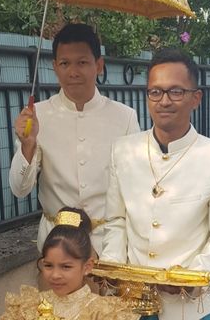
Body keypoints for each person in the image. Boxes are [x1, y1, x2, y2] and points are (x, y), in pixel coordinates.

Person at [102, 48, 210, 320]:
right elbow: (116, 219)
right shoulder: (123, 150)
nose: (164, 101)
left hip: (190, 308)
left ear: (196, 98)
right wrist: (114, 270)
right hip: (131, 303)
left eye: (176, 91)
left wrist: (191, 278)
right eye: (155, 92)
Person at [10, 23, 140, 254]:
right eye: (64, 63)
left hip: (109, 244)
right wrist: (28, 145)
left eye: (82, 62)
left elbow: (136, 186)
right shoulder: (36, 117)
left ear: (98, 65)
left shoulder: (125, 117)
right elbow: (19, 189)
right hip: (55, 247)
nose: (73, 72)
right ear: (54, 67)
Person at [0, 207, 137, 320]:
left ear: (87, 267)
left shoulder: (102, 312)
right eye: (48, 265)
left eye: (66, 267)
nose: (55, 275)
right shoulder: (29, 306)